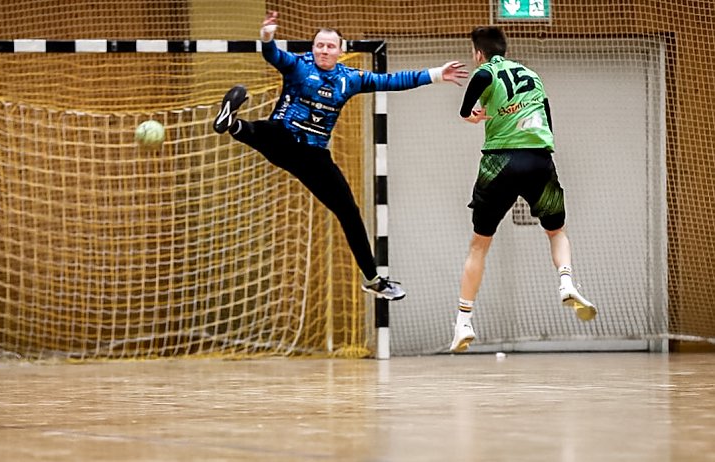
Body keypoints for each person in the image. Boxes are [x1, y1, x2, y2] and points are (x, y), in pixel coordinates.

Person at [213, 11, 468, 301]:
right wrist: (267, 37)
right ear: (312, 49)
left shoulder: (350, 79)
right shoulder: (298, 68)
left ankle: (372, 279)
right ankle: (232, 124)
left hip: (314, 156)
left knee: (348, 212)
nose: (324, 50)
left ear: (341, 50)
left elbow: (393, 80)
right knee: (271, 132)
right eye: (319, 45)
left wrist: (437, 75)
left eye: (330, 46)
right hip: (283, 138)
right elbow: (274, 56)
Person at [449, 26, 597, 352]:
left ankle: (463, 322)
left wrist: (471, 116)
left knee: (479, 246)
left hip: (499, 162)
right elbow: (547, 119)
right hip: (539, 160)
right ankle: (567, 282)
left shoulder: (485, 72)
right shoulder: (533, 75)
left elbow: (467, 106)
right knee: (556, 232)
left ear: (478, 53)